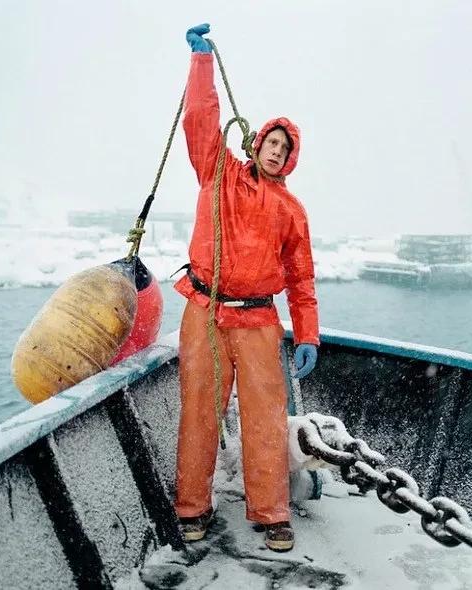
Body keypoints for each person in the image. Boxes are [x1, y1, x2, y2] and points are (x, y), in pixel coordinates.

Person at [173, 23, 319, 552]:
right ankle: (191, 508)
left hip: (258, 320)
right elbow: (199, 119)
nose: (276, 151)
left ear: (291, 159)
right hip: (205, 312)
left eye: (286, 148)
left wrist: (308, 335)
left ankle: (271, 514)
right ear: (256, 143)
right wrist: (202, 64)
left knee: (264, 420)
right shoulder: (218, 171)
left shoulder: (291, 210)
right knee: (199, 413)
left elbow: (302, 279)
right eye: (271, 142)